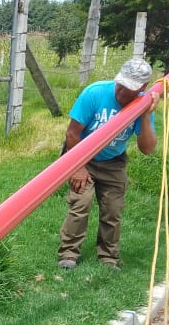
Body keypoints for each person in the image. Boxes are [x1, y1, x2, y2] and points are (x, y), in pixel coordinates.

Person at [56, 58, 159, 270]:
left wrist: (146, 115)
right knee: (80, 204)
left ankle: (108, 257)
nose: (121, 90)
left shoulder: (142, 105)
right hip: (82, 157)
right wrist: (78, 167)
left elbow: (147, 148)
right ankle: (68, 253)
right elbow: (72, 134)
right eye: (121, 83)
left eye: (129, 87)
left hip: (113, 163)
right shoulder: (95, 93)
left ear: (143, 87)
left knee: (112, 209)